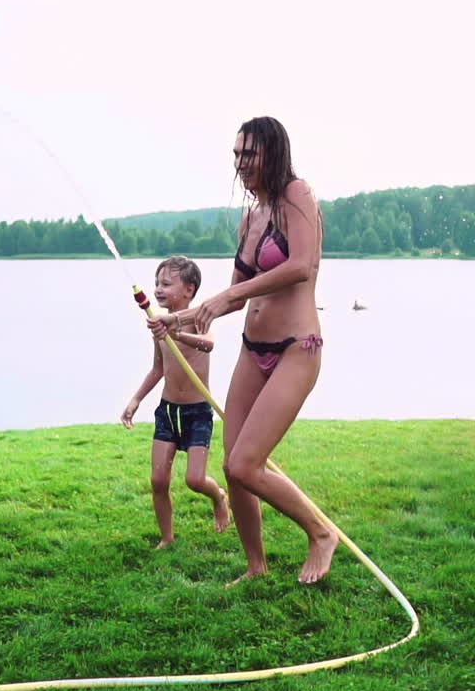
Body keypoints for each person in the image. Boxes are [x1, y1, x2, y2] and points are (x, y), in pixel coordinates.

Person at [148, 117, 337, 585]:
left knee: (246, 463)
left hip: (297, 347)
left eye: (248, 154)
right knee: (233, 468)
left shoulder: (298, 195)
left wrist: (227, 299)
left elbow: (300, 266)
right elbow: (235, 293)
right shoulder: (250, 218)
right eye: (236, 155)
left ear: (273, 153)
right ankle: (256, 566)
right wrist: (179, 319)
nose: (240, 164)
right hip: (254, 350)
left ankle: (320, 533)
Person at [122, 257, 230, 549]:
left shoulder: (199, 318)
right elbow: (158, 368)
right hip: (168, 410)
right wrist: (136, 399)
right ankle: (167, 538)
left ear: (189, 290)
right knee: (158, 480)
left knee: (195, 480)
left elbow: (209, 344)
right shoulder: (158, 327)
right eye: (157, 283)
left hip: (197, 412)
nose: (158, 289)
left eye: (166, 284)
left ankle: (219, 496)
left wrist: (177, 332)